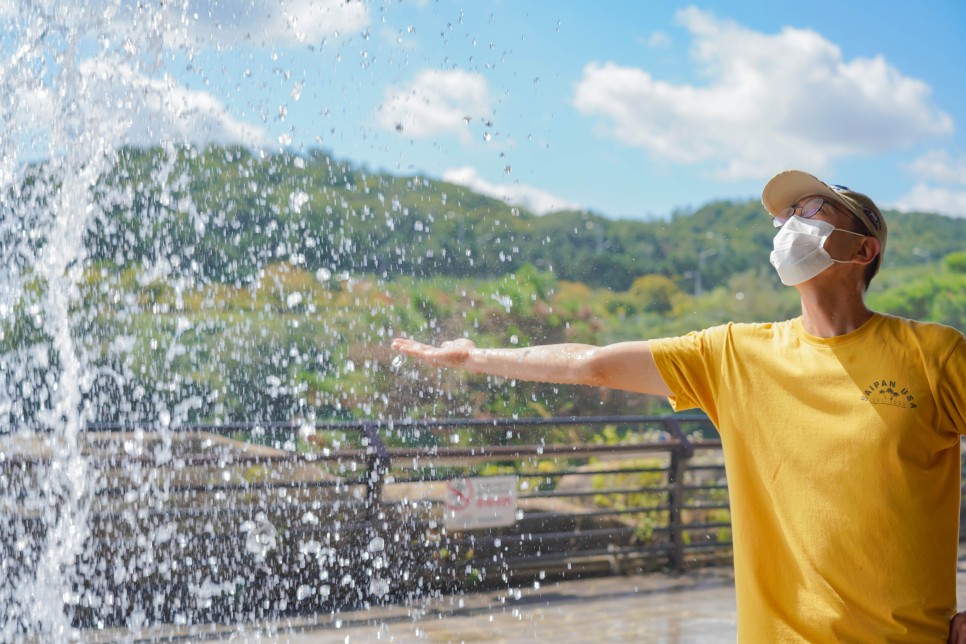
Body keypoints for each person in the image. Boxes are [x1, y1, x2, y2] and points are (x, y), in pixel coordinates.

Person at [392, 169, 966, 642]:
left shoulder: (933, 355)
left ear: (863, 249)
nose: (790, 225)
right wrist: (473, 357)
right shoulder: (734, 354)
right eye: (784, 217)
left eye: (813, 210)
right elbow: (592, 364)